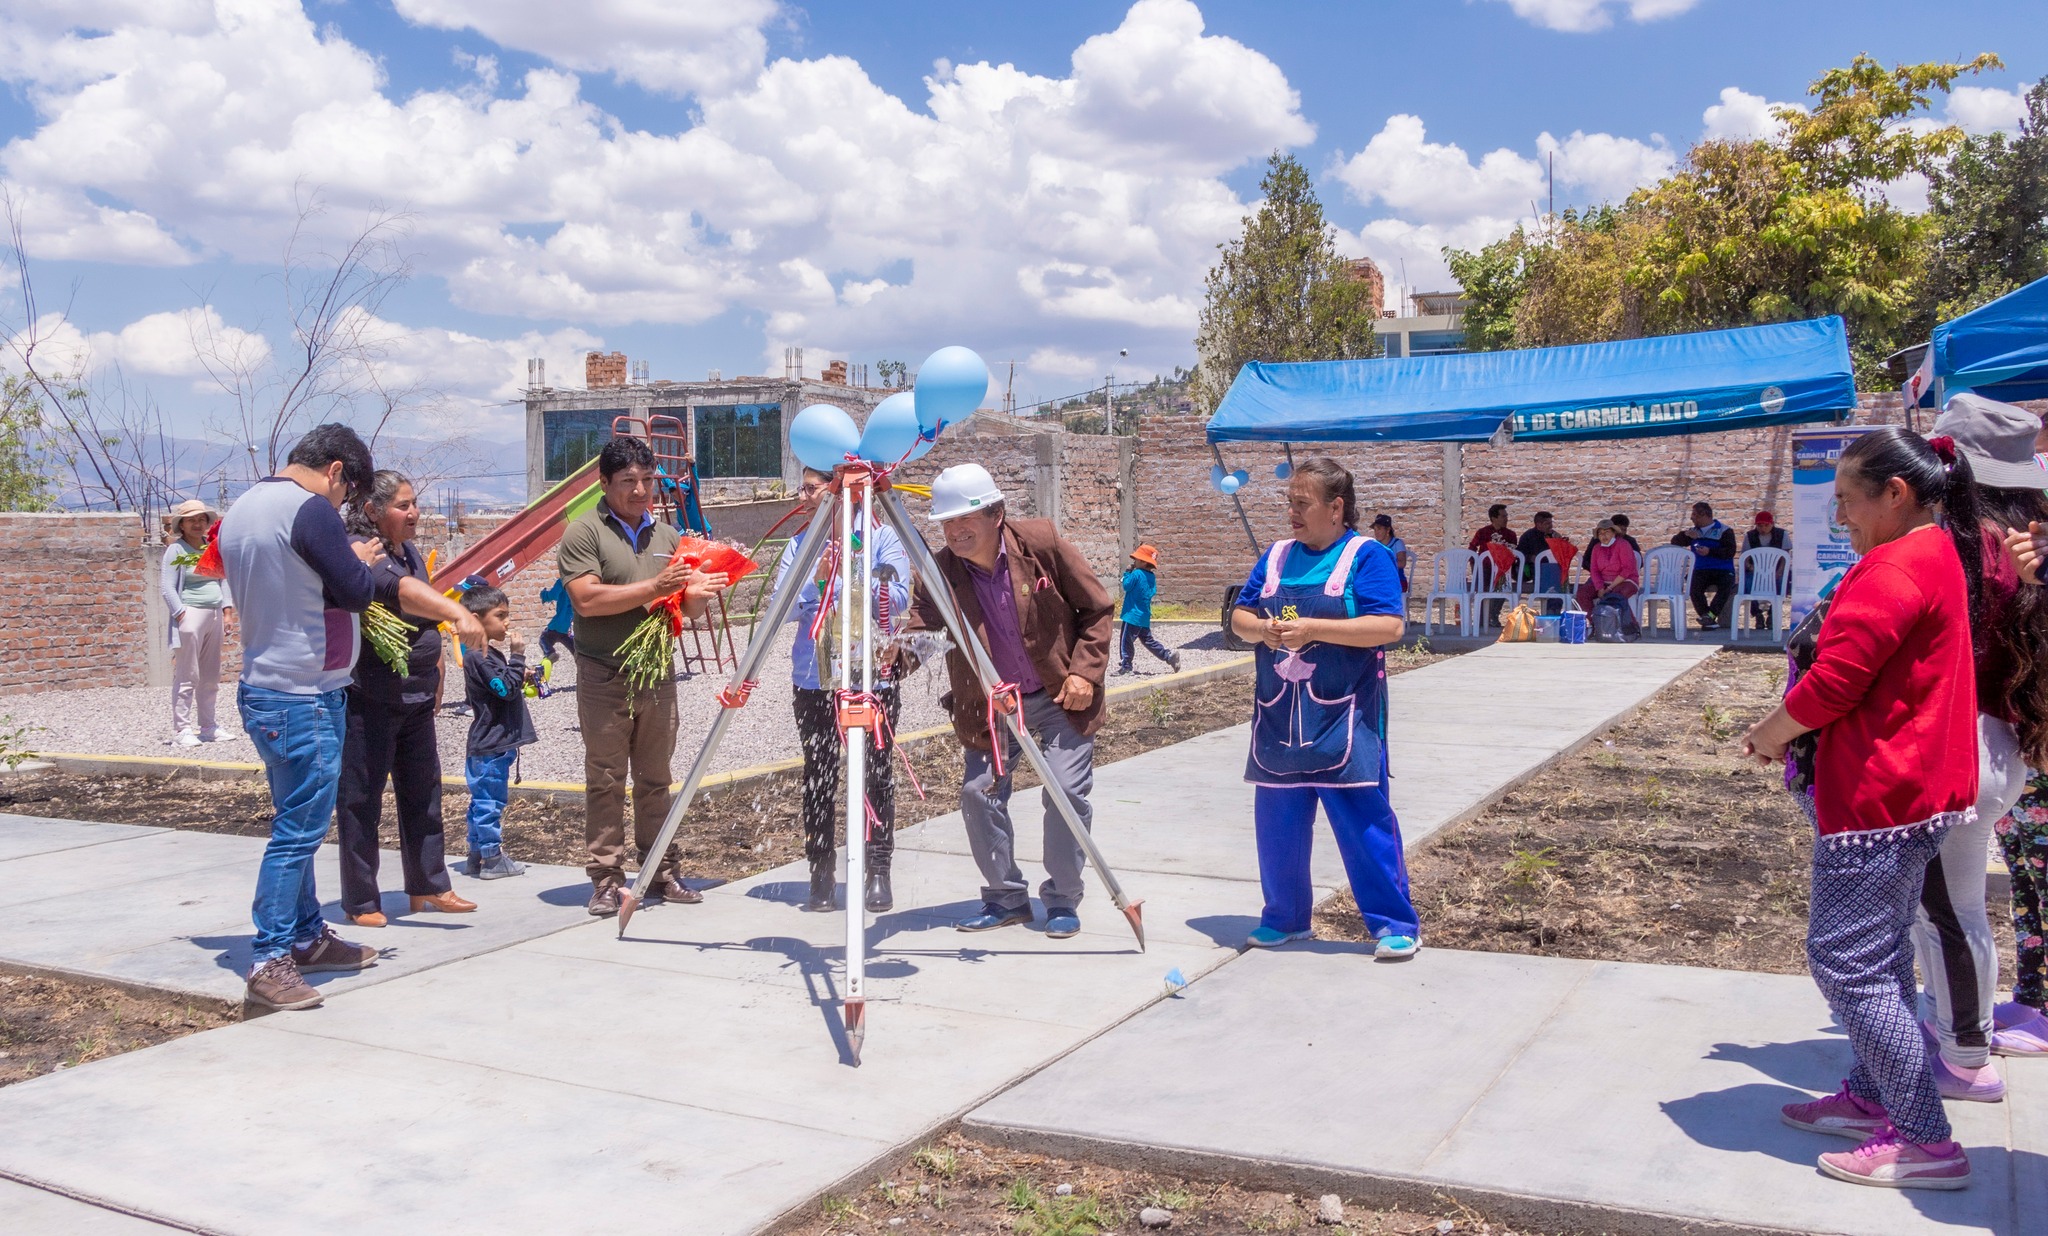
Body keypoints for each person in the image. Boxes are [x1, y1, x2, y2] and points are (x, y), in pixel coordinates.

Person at [1743, 426, 1979, 1190]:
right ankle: (1876, 1094)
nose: (1839, 515)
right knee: (1878, 957)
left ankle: (1924, 1139)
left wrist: (1771, 734)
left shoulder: (1895, 565)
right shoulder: (1937, 549)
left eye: (1847, 500)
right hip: (1915, 787)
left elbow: (1835, 682)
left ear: (1896, 494)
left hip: (1882, 792)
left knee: (1847, 963)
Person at [218, 425, 484, 1012]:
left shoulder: (242, 508)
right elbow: (358, 593)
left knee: (297, 819)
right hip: (304, 693)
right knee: (298, 832)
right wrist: (359, 559)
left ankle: (308, 935)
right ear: (336, 471)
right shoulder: (309, 509)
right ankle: (269, 958)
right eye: (347, 493)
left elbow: (299, 588)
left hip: (265, 684)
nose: (342, 507)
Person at [897, 462, 1112, 939]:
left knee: (1065, 792)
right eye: (947, 523)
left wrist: (1084, 673)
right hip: (991, 705)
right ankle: (1006, 898)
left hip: (1059, 694)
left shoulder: (1041, 543)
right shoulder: (939, 572)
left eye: (964, 520)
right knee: (979, 795)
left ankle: (1062, 899)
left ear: (996, 514)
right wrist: (889, 657)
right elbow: (925, 633)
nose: (954, 531)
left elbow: (1096, 609)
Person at [1906, 392, 2048, 1093]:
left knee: (1948, 912)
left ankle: (1966, 1056)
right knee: (1956, 909)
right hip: (2004, 746)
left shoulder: (1970, 545)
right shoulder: (2021, 545)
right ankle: (1960, 1027)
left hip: (1961, 748)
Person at [1230, 458, 1418, 960]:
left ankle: (1393, 923)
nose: (1291, 512)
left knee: (1363, 823)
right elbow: (1242, 616)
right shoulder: (1275, 557)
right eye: (1289, 502)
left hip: (1346, 721)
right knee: (1279, 825)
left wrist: (1313, 629)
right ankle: (1285, 918)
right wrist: (1265, 630)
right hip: (1278, 718)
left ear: (1336, 508)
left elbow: (1389, 627)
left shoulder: (1366, 556)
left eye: (1301, 503)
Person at [558, 435, 729, 917]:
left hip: (656, 672)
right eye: (628, 482)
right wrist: (655, 585)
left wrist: (702, 590)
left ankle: (661, 869)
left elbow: (684, 607)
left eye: (646, 480)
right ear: (605, 483)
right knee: (606, 778)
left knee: (656, 779)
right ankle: (607, 879)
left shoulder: (668, 537)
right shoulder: (584, 532)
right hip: (604, 672)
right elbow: (586, 600)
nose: (640, 491)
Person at [334, 471, 480, 928]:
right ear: (374, 511)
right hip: (371, 695)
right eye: (403, 506)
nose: (413, 512)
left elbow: (419, 610)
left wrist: (436, 669)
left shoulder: (409, 549)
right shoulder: (363, 547)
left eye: (414, 503)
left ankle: (428, 886)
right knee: (362, 799)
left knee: (424, 793)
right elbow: (401, 591)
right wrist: (457, 612)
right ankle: (361, 901)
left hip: (415, 694)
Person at [775, 466, 912, 914]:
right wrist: (816, 579)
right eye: (806, 487)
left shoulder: (882, 537)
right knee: (818, 773)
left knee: (877, 770)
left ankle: (877, 870)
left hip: (872, 676)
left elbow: (901, 597)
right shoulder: (797, 546)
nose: (806, 495)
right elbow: (782, 608)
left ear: (843, 493)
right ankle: (820, 873)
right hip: (814, 678)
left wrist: (852, 576)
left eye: (814, 488)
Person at [459, 584, 537, 880]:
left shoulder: (487, 655)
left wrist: (520, 671)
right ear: (477, 619)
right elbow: (503, 689)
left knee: (481, 801)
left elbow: (501, 683)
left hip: (491, 745)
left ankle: (476, 854)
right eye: (500, 615)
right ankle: (492, 859)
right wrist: (517, 658)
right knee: (489, 802)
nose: (507, 623)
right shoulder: (477, 657)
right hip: (490, 745)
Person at [160, 498, 233, 746]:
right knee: (188, 673)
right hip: (191, 613)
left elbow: (222, 580)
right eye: (192, 519)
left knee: (210, 675)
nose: (197, 523)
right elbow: (167, 586)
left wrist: (227, 611)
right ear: (182, 523)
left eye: (201, 519)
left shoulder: (210, 547)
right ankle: (182, 729)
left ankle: (209, 726)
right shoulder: (177, 551)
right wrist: (181, 613)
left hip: (213, 614)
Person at [1115, 544, 1180, 676]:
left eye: (1137, 560)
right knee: (1148, 640)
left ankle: (1126, 665)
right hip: (1143, 615)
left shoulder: (1137, 573)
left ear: (1144, 562)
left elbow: (1126, 586)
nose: (1134, 562)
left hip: (1132, 615)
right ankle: (1167, 655)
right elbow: (1152, 591)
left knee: (1125, 640)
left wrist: (1127, 573)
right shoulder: (1151, 577)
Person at [1671, 502, 1738, 629]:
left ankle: (1711, 614)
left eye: (1695, 515)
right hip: (1701, 569)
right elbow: (1674, 542)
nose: (1691, 518)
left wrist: (1710, 551)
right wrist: (1686, 535)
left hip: (1722, 569)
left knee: (1727, 586)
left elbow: (1730, 552)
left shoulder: (1724, 531)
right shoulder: (1693, 532)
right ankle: (1707, 617)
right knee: (1693, 586)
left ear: (1705, 515)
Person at [1572, 519, 1640, 613]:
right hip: (1603, 582)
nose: (1604, 536)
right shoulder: (1597, 548)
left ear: (1613, 533)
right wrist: (1600, 588)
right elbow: (1594, 570)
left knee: (1614, 596)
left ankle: (1624, 625)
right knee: (1582, 594)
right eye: (1600, 533)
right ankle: (1593, 622)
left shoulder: (1623, 545)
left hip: (1624, 581)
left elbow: (1627, 569)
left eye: (1607, 532)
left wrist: (1609, 588)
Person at [1742, 511, 1789, 629]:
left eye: (1766, 525)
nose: (1763, 528)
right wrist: (1750, 567)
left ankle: (1773, 614)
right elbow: (1745, 558)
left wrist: (1779, 571)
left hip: (1775, 570)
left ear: (1772, 524)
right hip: (1755, 571)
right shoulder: (1750, 536)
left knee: (1782, 582)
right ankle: (1757, 614)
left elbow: (1785, 557)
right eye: (1760, 525)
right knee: (1747, 584)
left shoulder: (1782, 534)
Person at [537, 577, 575, 694]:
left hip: (559, 624)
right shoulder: (582, 580)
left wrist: (543, 594)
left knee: (544, 639)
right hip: (572, 625)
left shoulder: (562, 581)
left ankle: (550, 653)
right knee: (577, 653)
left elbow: (552, 595)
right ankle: (589, 678)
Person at [1514, 511, 1564, 592]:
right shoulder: (1528, 536)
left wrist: (1560, 542)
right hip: (1532, 569)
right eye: (1547, 523)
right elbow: (1519, 555)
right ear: (1539, 524)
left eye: (1551, 523)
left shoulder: (1554, 535)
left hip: (1552, 568)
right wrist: (1531, 558)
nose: (1551, 526)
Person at [1368, 514, 1410, 595]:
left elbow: (1402, 563)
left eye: (1379, 529)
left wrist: (1383, 564)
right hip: (1380, 580)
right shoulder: (1374, 545)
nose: (1376, 532)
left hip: (1397, 580)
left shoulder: (1397, 543)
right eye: (1375, 529)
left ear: (1388, 530)